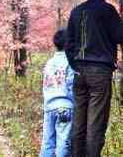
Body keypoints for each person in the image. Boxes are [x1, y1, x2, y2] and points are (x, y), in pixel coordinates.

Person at [65, 0, 123, 157]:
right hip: (99, 73)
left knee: (78, 123)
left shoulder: (76, 11)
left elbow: (68, 45)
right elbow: (121, 36)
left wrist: (75, 67)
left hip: (79, 72)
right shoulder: (106, 10)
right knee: (95, 124)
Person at [40, 29, 75, 157]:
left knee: (47, 142)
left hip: (49, 106)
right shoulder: (70, 62)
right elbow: (72, 85)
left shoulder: (49, 63)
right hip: (65, 106)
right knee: (63, 142)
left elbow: (45, 84)